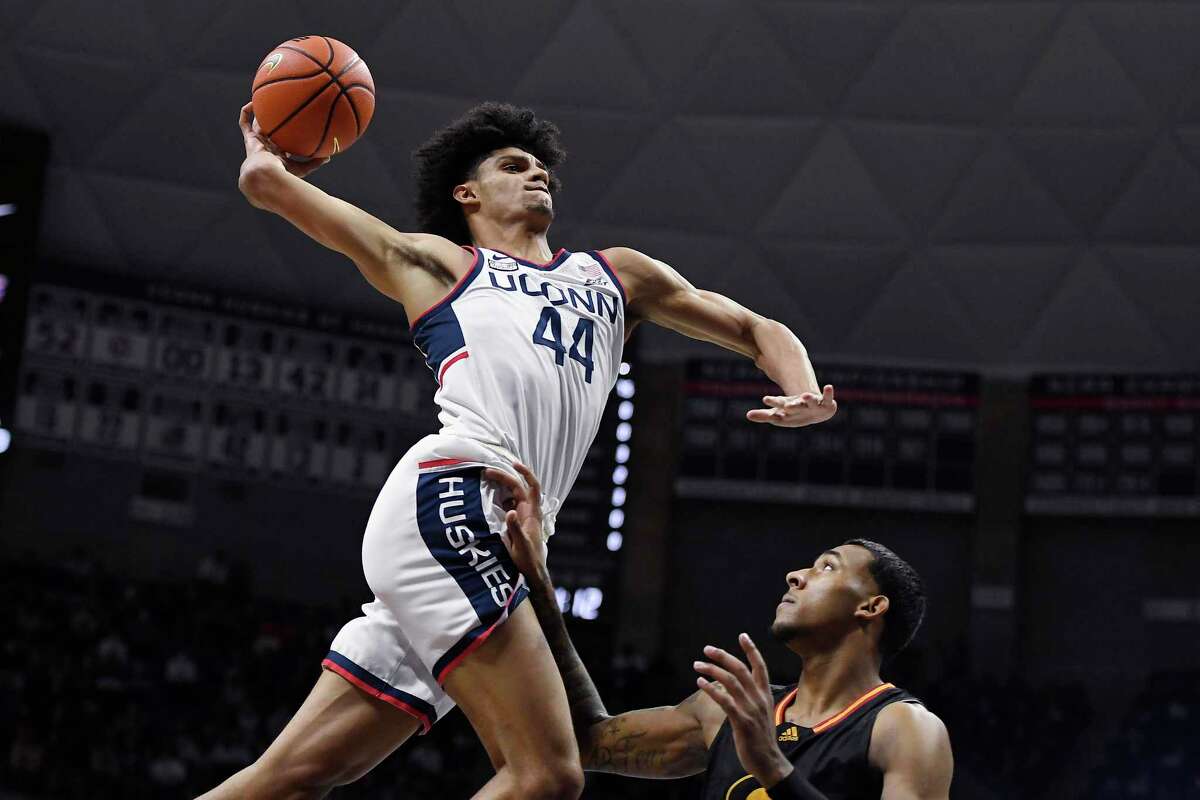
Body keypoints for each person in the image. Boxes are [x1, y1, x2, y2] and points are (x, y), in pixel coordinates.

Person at [201, 101, 837, 800]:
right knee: (548, 776)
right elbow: (267, 186)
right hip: (457, 495)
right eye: (513, 166)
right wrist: (272, 153)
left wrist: (801, 388)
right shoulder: (441, 263)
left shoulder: (616, 276)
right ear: (466, 194)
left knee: (291, 778)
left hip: (500, 533)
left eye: (542, 170)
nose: (537, 176)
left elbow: (756, 327)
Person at [487, 462, 953, 800]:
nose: (796, 575)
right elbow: (590, 742)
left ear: (872, 607)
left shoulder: (906, 730)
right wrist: (540, 585)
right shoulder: (727, 714)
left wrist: (772, 767)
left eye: (827, 568)